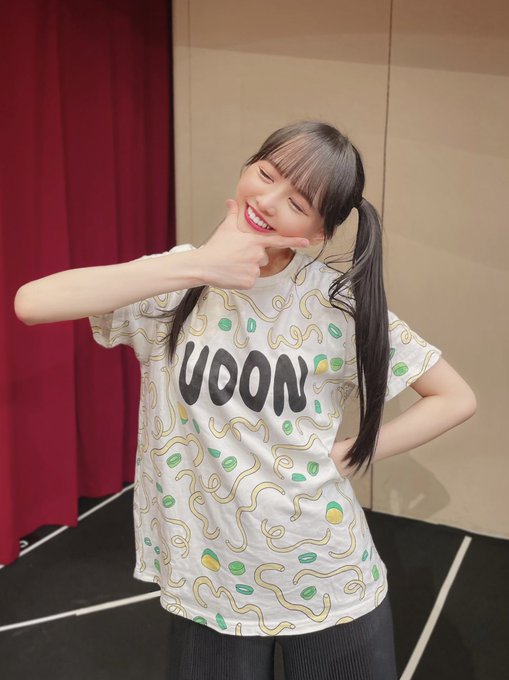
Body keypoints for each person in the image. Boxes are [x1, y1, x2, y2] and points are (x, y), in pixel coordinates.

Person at [15, 120, 476, 680]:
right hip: (210, 582)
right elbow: (32, 303)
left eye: (298, 202)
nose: (268, 200)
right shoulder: (175, 278)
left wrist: (348, 454)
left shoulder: (334, 304)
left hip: (326, 579)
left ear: (317, 234)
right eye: (266, 173)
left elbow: (453, 397)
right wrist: (198, 265)